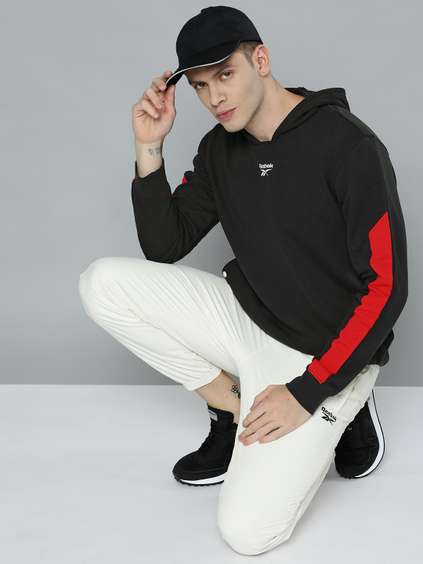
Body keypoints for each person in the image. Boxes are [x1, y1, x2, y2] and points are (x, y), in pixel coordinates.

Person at [78, 5, 408, 556]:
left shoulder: (349, 147)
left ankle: (347, 405)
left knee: (247, 534)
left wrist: (307, 392)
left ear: (261, 60)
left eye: (225, 75)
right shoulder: (219, 150)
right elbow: (164, 246)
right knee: (100, 284)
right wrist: (148, 146)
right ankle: (234, 404)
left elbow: (387, 287)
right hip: (248, 317)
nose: (215, 97)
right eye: (201, 86)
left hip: (320, 355)